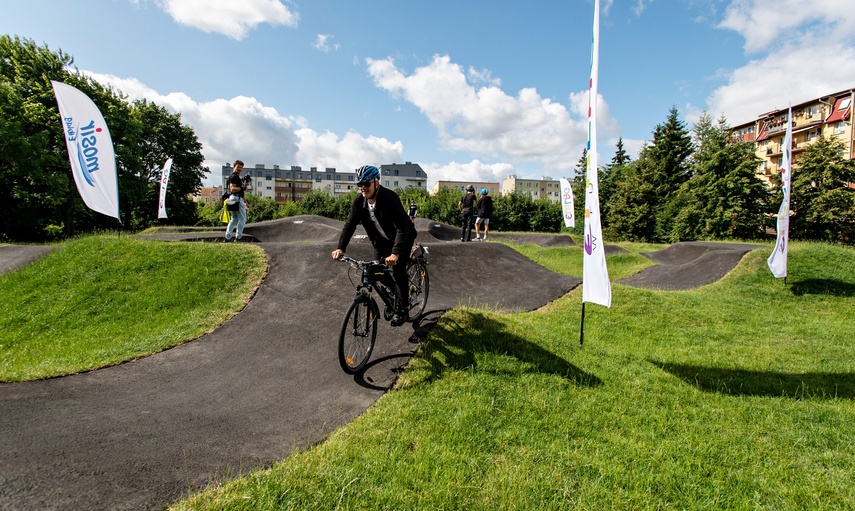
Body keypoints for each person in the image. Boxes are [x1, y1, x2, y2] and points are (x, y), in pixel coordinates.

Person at [332, 165, 417, 327]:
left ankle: (403, 308)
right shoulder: (359, 202)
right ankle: (395, 292)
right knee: (376, 271)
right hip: (381, 242)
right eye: (360, 184)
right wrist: (341, 248)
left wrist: (395, 253)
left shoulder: (390, 198)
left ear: (376, 182)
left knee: (398, 270)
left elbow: (402, 228)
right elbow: (349, 225)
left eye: (366, 183)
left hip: (403, 238)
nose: (362, 188)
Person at [224, 160, 251, 241]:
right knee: (242, 218)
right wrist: (243, 187)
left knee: (234, 219)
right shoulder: (234, 177)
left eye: (241, 168)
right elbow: (232, 189)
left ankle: (227, 237)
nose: (240, 169)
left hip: (231, 198)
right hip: (236, 198)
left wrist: (246, 202)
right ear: (234, 167)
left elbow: (240, 192)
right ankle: (238, 237)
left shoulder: (233, 177)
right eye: (238, 167)